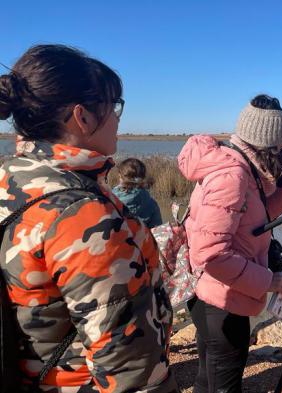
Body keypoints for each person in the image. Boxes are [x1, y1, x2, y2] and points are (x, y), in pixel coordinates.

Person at [0, 45, 177, 392]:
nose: (117, 118)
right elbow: (129, 370)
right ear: (82, 117)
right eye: (114, 106)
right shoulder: (82, 214)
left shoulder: (10, 178)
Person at [178, 94, 282, 393]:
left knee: (207, 380)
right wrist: (268, 280)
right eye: (281, 145)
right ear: (269, 143)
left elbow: (252, 221)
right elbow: (211, 254)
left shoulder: (238, 165)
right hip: (222, 299)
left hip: (212, 293)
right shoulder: (232, 176)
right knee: (222, 385)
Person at [113, 158, 164, 228]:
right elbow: (157, 232)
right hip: (141, 238)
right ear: (143, 177)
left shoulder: (110, 199)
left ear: (120, 177)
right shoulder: (151, 203)